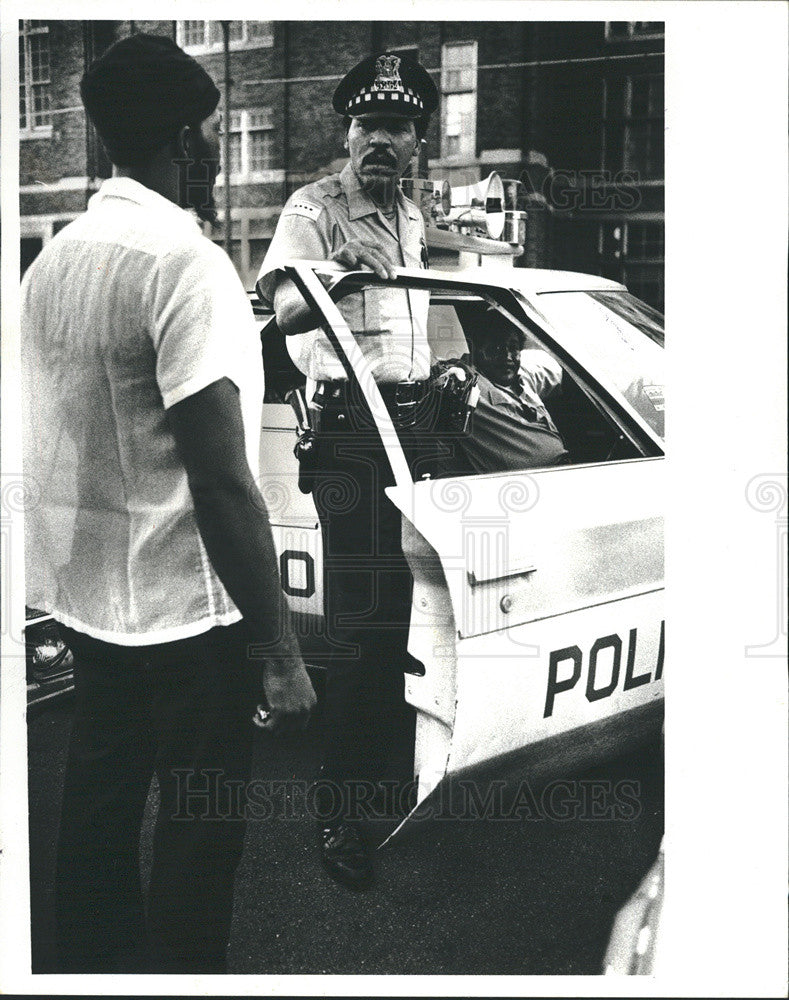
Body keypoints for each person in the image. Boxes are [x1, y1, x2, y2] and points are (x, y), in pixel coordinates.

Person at [21, 33, 316, 974]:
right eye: (212, 140)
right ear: (189, 142)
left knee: (98, 818)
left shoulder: (52, 266)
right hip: (191, 621)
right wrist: (278, 652)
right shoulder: (186, 267)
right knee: (198, 838)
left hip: (96, 609)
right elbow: (223, 481)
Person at [256, 52, 439, 889]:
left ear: (416, 139)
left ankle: (386, 778)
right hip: (351, 437)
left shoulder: (413, 209)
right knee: (362, 627)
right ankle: (341, 811)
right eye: (367, 126)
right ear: (347, 131)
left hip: (417, 425)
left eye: (396, 127)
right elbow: (282, 305)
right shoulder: (315, 207)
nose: (380, 142)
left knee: (407, 616)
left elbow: (422, 319)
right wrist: (337, 275)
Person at [443, 316, 570, 474]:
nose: (507, 356)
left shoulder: (526, 376)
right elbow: (445, 373)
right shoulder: (469, 383)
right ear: (476, 350)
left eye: (513, 347)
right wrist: (457, 370)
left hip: (564, 469)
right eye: (495, 349)